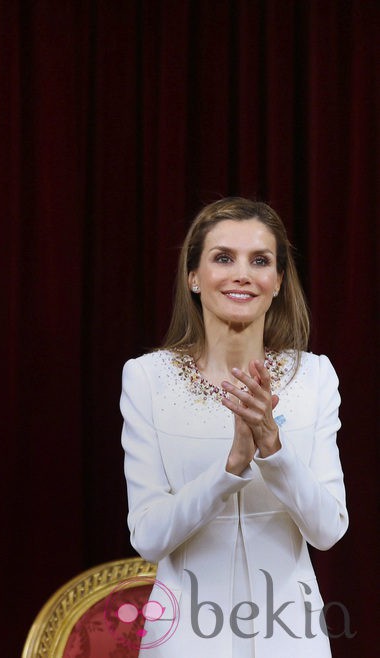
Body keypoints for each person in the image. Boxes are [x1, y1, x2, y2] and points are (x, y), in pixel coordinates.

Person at [120, 197, 348, 656]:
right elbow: (148, 538)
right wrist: (231, 466)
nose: (241, 274)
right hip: (185, 637)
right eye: (223, 258)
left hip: (293, 636)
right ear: (194, 277)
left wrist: (273, 449)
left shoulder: (315, 376)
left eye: (260, 261)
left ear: (278, 281)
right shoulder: (147, 377)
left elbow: (328, 529)